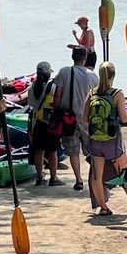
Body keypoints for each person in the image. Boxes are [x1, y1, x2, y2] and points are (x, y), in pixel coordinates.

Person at [83, 61, 127, 216]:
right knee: (123, 173)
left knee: (97, 175)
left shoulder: (92, 93)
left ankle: (103, 207)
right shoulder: (117, 94)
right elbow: (124, 118)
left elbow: (85, 118)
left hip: (95, 141)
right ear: (113, 75)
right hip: (113, 142)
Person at [53, 47, 98, 191]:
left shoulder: (64, 71)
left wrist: (56, 109)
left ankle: (78, 179)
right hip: (87, 117)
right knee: (92, 149)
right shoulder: (93, 76)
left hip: (68, 118)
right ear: (85, 58)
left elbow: (58, 93)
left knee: (73, 151)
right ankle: (97, 176)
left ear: (72, 57)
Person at [25, 59, 61, 185]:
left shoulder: (32, 86)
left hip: (37, 122)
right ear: (48, 74)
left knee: (38, 150)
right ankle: (53, 177)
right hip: (50, 122)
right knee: (53, 151)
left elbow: (30, 103)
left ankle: (39, 177)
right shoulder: (52, 87)